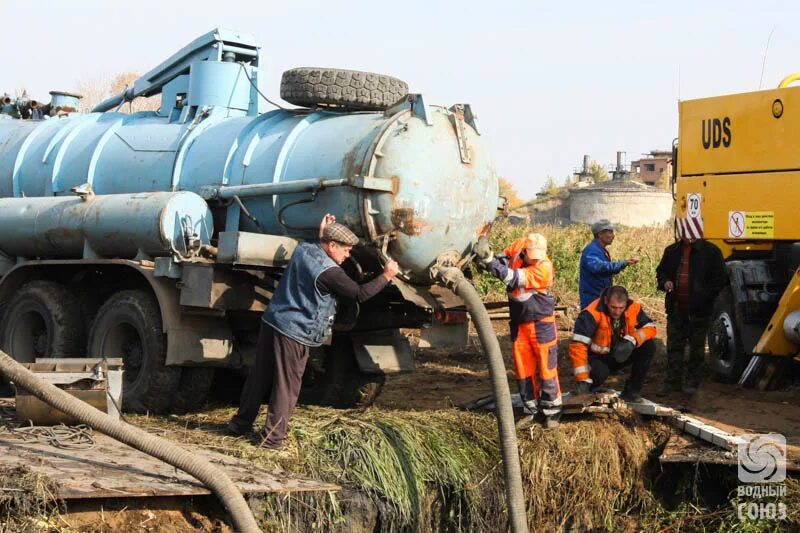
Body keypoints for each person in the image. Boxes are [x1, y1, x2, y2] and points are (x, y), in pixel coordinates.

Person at [227, 214, 400, 448]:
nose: (348, 255)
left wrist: (322, 232)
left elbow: (316, 244)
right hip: (294, 332)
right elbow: (359, 294)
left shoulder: (304, 250)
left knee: (259, 377)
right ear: (332, 245)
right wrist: (386, 276)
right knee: (287, 386)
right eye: (346, 250)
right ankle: (272, 440)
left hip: (273, 322)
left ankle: (240, 424)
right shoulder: (330, 273)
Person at [474, 233, 562, 428]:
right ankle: (530, 410)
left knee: (547, 370)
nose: (535, 258)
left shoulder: (544, 268)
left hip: (541, 324)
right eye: (532, 255)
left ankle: (551, 413)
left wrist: (489, 262)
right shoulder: (518, 246)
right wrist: (491, 258)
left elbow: (511, 278)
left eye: (539, 255)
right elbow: (505, 257)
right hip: (520, 322)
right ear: (525, 250)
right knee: (523, 370)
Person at [655, 230, 726, 396]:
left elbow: (721, 278)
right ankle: (672, 383)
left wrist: (706, 297)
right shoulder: (672, 251)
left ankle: (692, 383)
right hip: (676, 308)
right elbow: (661, 271)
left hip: (700, 311)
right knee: (674, 346)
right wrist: (665, 282)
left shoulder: (711, 252)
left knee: (696, 348)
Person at [569, 285, 657, 402]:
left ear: (626, 303)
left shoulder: (633, 307)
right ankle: (589, 387)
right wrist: (582, 380)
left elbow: (650, 327)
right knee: (600, 373)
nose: (617, 312)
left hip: (620, 353)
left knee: (649, 346)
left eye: (621, 308)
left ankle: (632, 392)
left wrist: (633, 340)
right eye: (613, 307)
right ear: (606, 301)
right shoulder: (591, 314)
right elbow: (578, 346)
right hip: (596, 358)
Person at [579, 219, 639, 309]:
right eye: (610, 232)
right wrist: (623, 263)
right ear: (600, 234)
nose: (613, 236)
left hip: (601, 298)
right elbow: (600, 267)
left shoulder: (600, 250)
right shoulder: (591, 250)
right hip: (592, 300)